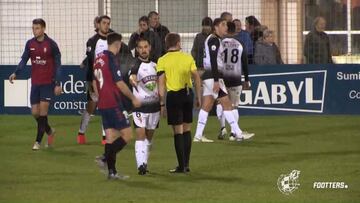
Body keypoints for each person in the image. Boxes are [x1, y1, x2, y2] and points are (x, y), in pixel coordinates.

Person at [193, 18, 253, 143]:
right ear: (216, 27)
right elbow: (214, 61)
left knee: (206, 106)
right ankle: (238, 133)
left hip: (209, 76)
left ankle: (198, 135)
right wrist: (216, 80)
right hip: (213, 76)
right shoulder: (214, 40)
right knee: (227, 104)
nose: (226, 27)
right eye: (223, 24)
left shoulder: (214, 39)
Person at [92, 32, 141, 180]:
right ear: (118, 44)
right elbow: (119, 83)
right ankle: (105, 158)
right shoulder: (111, 58)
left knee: (111, 137)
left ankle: (112, 173)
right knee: (127, 135)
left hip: (103, 103)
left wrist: (100, 97)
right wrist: (133, 98)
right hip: (113, 102)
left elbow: (94, 81)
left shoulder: (98, 58)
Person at [9, 18, 62, 150]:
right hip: (36, 83)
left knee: (43, 111)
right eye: (33, 28)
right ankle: (49, 131)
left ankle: (37, 142)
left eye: (37, 28)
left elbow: (58, 65)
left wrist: (58, 83)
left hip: (47, 83)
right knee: (35, 112)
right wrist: (16, 73)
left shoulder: (52, 45)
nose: (35, 30)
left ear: (43, 29)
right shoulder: (30, 44)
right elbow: (24, 60)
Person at [157, 33, 201, 173]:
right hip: (187, 94)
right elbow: (196, 77)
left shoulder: (162, 60)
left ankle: (181, 166)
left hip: (173, 96)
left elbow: (161, 83)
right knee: (187, 129)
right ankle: (186, 164)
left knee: (177, 131)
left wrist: (162, 103)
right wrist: (198, 97)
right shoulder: (187, 57)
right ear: (178, 43)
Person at [217, 22, 255, 141]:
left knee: (221, 103)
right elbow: (245, 63)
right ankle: (233, 133)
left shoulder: (220, 43)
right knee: (234, 106)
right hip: (235, 78)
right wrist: (247, 79)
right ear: (235, 31)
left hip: (222, 76)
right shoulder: (240, 44)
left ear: (226, 30)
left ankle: (223, 128)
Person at [77, 15, 111, 144]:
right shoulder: (92, 41)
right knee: (91, 106)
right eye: (104, 23)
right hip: (94, 78)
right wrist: (92, 81)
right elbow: (91, 61)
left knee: (105, 106)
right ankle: (81, 132)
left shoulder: (112, 40)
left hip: (108, 78)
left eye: (108, 23)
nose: (106, 25)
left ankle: (104, 137)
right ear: (99, 24)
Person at [129, 38, 160, 175]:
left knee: (149, 137)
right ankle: (141, 166)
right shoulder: (135, 64)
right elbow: (132, 75)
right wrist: (133, 79)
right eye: (140, 47)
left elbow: (160, 84)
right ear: (137, 50)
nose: (143, 49)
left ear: (150, 48)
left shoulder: (156, 65)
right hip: (140, 106)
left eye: (145, 47)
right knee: (140, 135)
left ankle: (144, 163)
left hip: (154, 107)